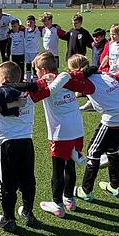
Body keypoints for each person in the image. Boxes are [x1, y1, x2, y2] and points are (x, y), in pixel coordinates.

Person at [55, 54, 119, 200]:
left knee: (93, 152)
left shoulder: (89, 82)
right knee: (112, 149)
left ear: (76, 70)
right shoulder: (104, 74)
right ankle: (115, 186)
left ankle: (86, 190)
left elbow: (68, 83)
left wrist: (53, 78)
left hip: (115, 118)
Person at [0, 61, 38, 231]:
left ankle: (9, 219)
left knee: (6, 183)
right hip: (27, 142)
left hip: (7, 144)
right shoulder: (30, 92)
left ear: (3, 79)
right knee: (28, 180)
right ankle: (28, 213)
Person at [29, 51, 85, 218]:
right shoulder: (66, 78)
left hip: (60, 133)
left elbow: (34, 96)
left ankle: (57, 204)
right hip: (77, 130)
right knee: (70, 165)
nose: (36, 74)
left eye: (37, 70)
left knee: (58, 169)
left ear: (44, 70)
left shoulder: (48, 84)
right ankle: (69, 199)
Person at [23, 15, 41, 81]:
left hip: (35, 52)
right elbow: (14, 29)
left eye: (31, 22)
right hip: (27, 52)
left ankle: (35, 81)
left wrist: (55, 25)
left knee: (35, 67)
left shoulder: (38, 29)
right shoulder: (24, 30)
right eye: (28, 22)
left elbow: (48, 26)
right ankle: (28, 81)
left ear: (34, 22)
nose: (29, 24)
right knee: (28, 67)